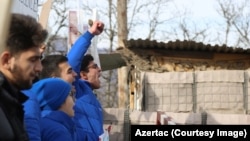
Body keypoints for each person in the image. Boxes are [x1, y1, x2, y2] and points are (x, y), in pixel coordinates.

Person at [0, 13, 48, 141]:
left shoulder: (12, 101)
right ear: (7, 60)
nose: (39, 68)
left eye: (39, 59)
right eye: (32, 59)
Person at [67, 21, 105, 140]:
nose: (100, 70)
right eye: (94, 67)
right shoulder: (76, 88)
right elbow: (71, 62)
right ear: (82, 74)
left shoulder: (89, 95)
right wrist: (89, 34)